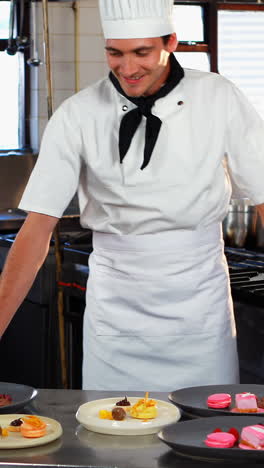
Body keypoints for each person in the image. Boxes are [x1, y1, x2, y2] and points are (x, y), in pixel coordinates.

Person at [0, 0, 264, 391]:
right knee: (113, 431)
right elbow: (37, 229)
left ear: (170, 42)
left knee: (205, 432)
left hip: (198, 304)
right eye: (115, 53)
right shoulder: (78, 114)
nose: (127, 68)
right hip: (117, 308)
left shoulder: (219, 97)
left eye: (141, 52)